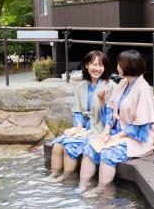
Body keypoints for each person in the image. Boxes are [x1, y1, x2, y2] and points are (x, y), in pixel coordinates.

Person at [80, 49, 154, 195]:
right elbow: (111, 109)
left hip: (137, 138)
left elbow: (141, 125)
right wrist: (106, 131)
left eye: (119, 64)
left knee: (109, 152)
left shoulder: (144, 90)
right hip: (118, 132)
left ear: (128, 67)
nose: (117, 67)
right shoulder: (123, 83)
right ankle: (82, 184)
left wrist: (116, 137)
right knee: (91, 148)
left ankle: (101, 188)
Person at [45, 50, 112, 182]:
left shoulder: (110, 86)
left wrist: (102, 100)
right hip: (83, 129)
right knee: (58, 145)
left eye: (101, 65)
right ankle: (54, 174)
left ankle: (66, 176)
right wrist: (78, 128)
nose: (98, 68)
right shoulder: (80, 87)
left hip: (99, 128)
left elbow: (111, 116)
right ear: (87, 65)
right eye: (94, 64)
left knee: (70, 146)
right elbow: (77, 112)